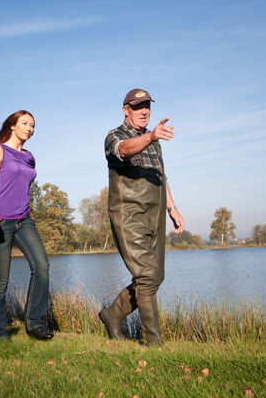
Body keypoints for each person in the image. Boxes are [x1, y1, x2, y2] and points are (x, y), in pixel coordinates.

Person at [101, 88, 184, 345]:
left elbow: (160, 174)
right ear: (125, 110)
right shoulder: (114, 136)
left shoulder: (154, 141)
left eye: (147, 105)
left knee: (155, 276)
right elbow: (124, 150)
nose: (144, 111)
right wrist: (150, 137)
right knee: (146, 276)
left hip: (156, 213)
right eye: (138, 107)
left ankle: (113, 315)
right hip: (129, 213)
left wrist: (171, 207)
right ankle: (153, 342)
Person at [0, 110, 53, 341]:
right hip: (0, 221)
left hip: (24, 220)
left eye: (32, 125)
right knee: (0, 280)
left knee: (41, 266)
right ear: (12, 125)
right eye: (24, 123)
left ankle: (35, 323)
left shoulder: (29, 156)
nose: (29, 128)